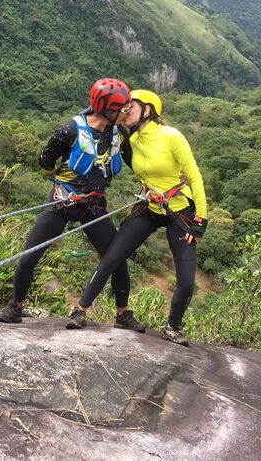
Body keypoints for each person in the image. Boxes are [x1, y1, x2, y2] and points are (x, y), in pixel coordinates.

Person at [0, 78, 145, 333]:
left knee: (117, 259)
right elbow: (46, 159)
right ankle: (15, 307)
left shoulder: (119, 134)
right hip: (62, 201)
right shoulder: (71, 129)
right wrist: (61, 185)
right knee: (30, 255)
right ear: (108, 109)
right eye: (122, 108)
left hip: (93, 205)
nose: (126, 112)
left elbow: (135, 163)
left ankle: (122, 314)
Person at [66, 89, 207, 346]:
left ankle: (173, 327)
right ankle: (81, 310)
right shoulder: (130, 141)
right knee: (113, 256)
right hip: (148, 207)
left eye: (130, 107)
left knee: (186, 279)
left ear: (148, 110)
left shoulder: (172, 136)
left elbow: (195, 176)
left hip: (180, 211)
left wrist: (201, 220)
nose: (124, 111)